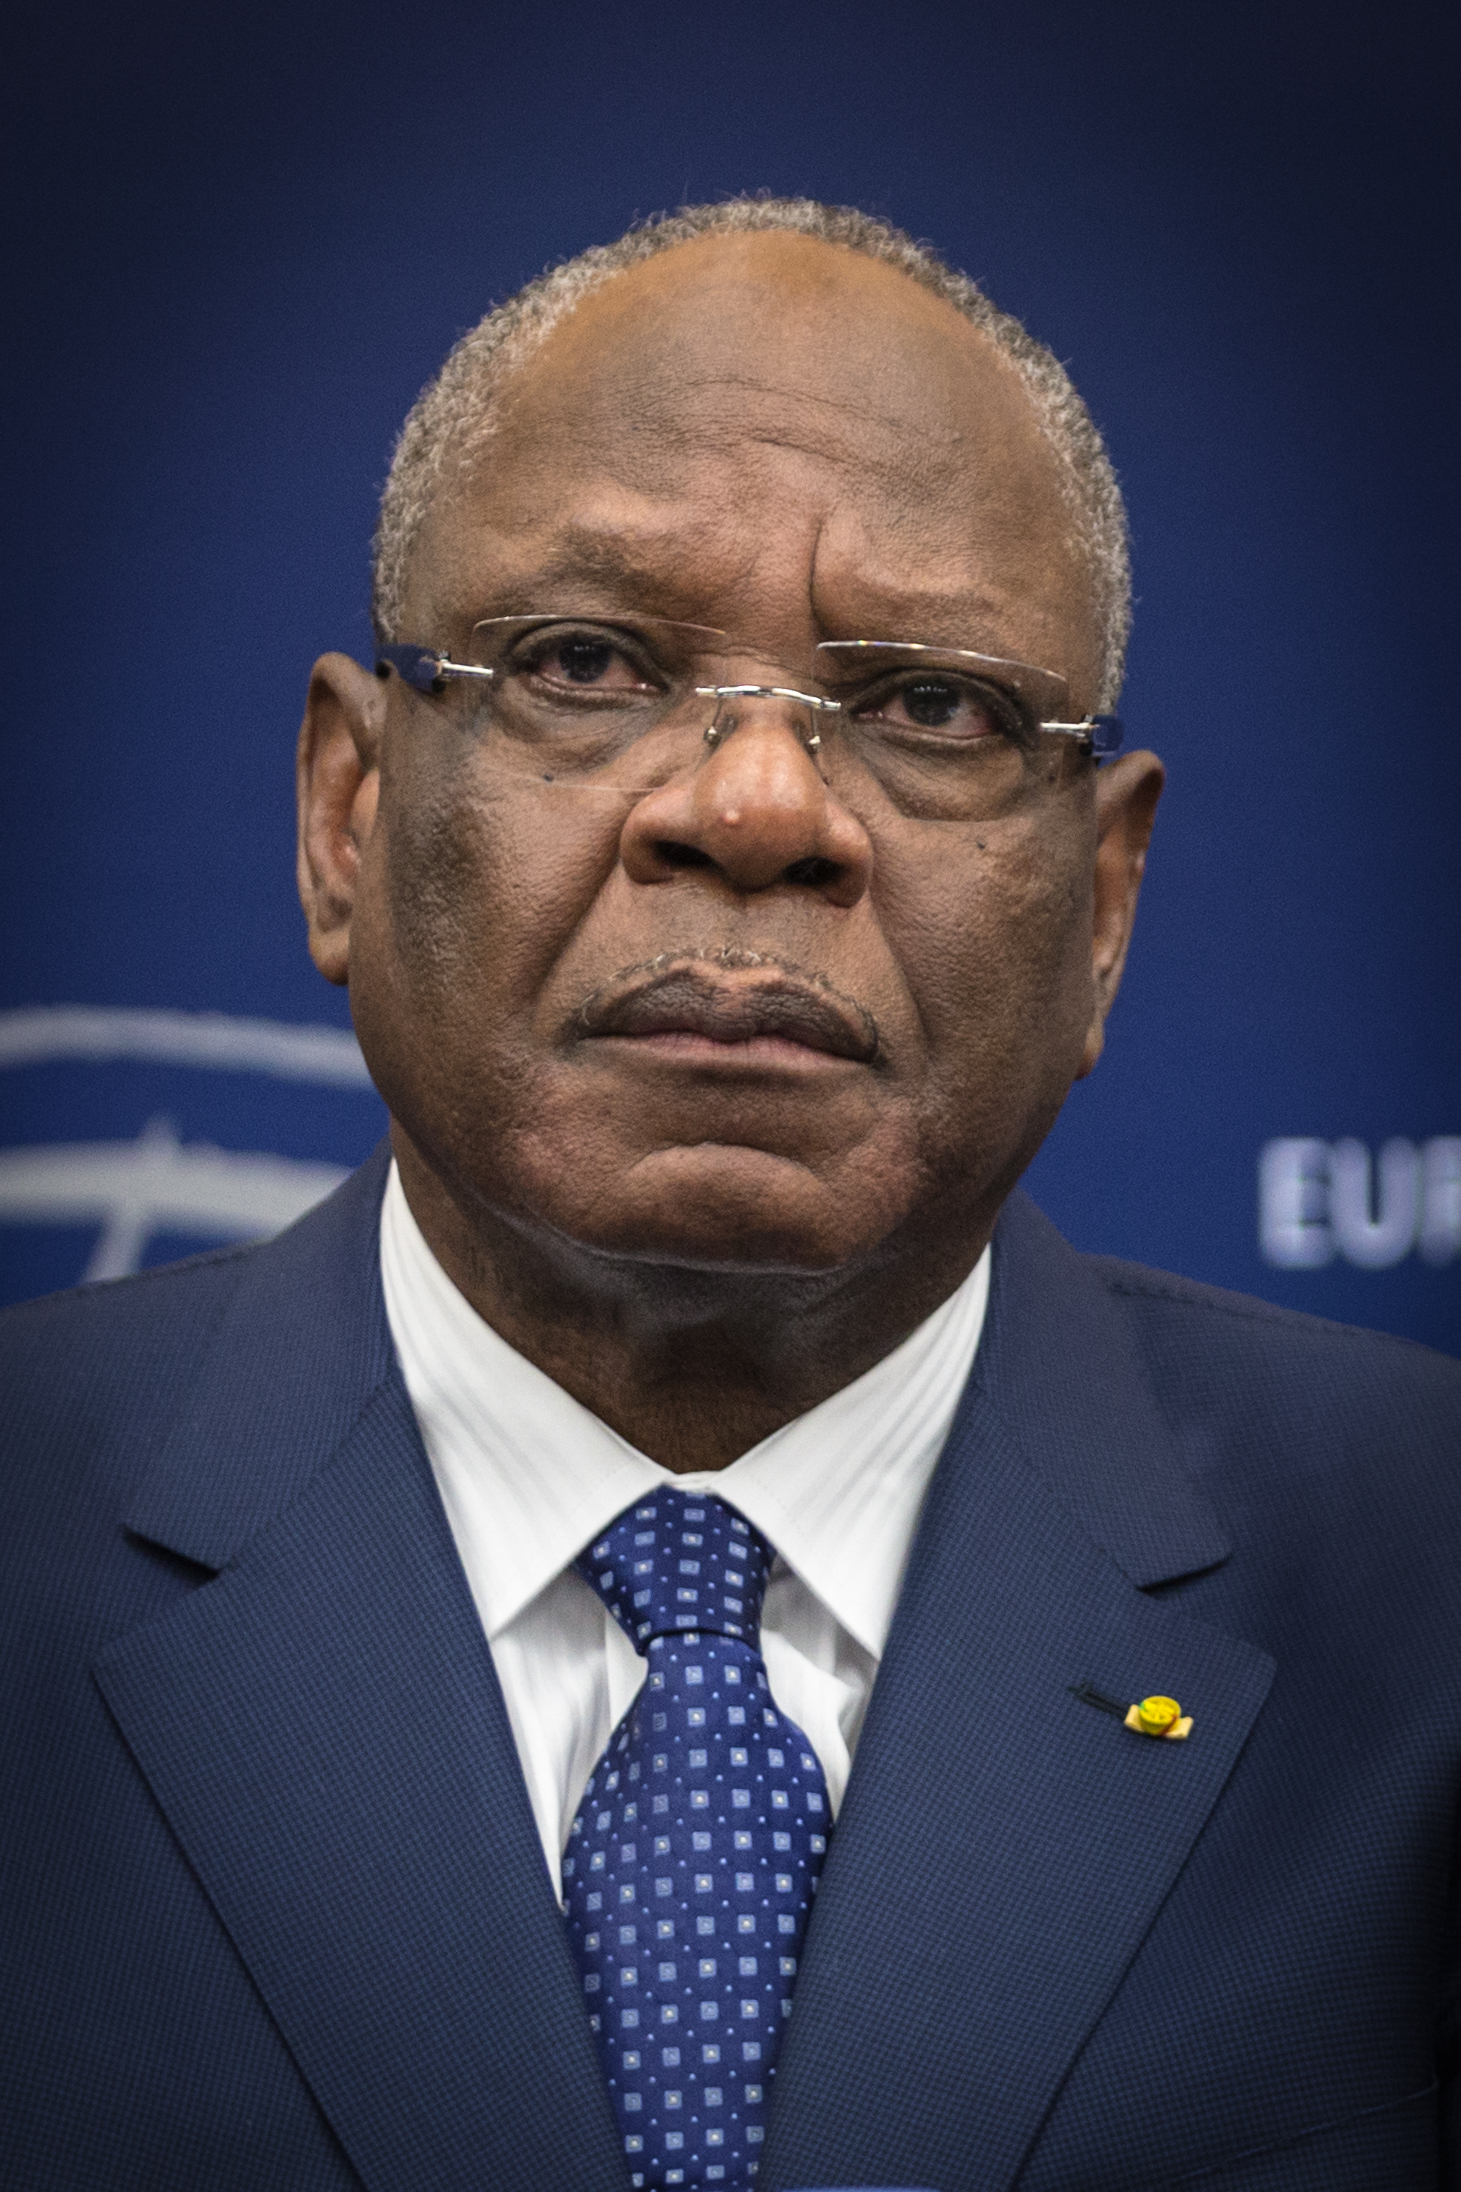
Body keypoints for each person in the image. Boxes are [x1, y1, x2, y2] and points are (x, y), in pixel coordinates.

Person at [2, 197, 1458, 2192]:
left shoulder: (1423, 1583)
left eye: (933, 706)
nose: (757, 807)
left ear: (1103, 908)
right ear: (348, 813)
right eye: (586, 661)